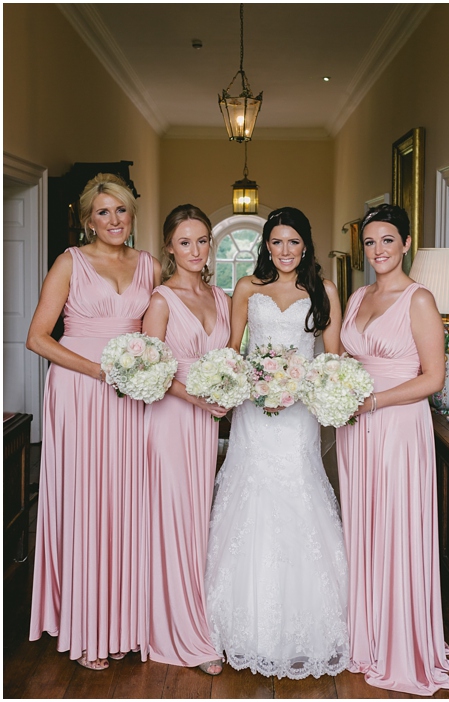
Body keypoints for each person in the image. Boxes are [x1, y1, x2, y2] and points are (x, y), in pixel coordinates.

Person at [204, 207, 349, 679]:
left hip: (299, 417)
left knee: (299, 496)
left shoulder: (323, 291)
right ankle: (238, 624)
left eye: (293, 242)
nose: (284, 251)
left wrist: (302, 385)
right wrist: (245, 381)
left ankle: (307, 625)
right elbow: (232, 347)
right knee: (249, 497)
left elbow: (334, 360)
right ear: (266, 245)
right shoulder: (248, 288)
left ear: (306, 244)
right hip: (254, 414)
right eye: (276, 242)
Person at [27, 173, 161, 670]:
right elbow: (38, 338)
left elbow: (157, 330)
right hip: (81, 390)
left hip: (133, 394)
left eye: (121, 210)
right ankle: (86, 628)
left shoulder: (148, 264)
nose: (113, 220)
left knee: (127, 503)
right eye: (103, 212)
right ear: (88, 220)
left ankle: (124, 621)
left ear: (132, 215)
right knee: (87, 500)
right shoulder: (69, 262)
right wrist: (98, 372)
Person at [336, 204, 449, 695]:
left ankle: (399, 638)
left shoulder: (419, 299)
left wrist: (374, 400)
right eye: (369, 242)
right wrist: (337, 390)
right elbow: (344, 358)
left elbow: (434, 377)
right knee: (361, 524)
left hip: (397, 426)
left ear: (407, 243)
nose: (378, 250)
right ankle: (364, 630)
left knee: (395, 526)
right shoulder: (357, 296)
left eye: (388, 240)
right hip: (354, 428)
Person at [141, 205, 230, 675]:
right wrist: (198, 399)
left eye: (201, 241)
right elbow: (150, 370)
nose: (195, 251)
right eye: (184, 242)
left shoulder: (220, 296)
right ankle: (184, 636)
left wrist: (227, 392)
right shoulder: (160, 300)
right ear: (169, 248)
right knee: (174, 521)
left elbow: (229, 359)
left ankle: (194, 613)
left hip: (204, 425)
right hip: (171, 421)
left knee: (197, 521)